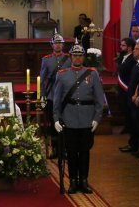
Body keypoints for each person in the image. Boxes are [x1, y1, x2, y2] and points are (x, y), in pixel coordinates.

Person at [53, 42, 104, 194]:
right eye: (74, 55)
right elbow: (57, 99)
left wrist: (97, 118)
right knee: (71, 151)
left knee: (85, 151)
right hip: (69, 119)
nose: (77, 58)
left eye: (79, 55)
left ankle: (84, 180)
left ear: (83, 57)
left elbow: (99, 99)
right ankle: (73, 181)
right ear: (70, 57)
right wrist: (56, 118)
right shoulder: (62, 74)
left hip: (87, 119)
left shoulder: (92, 73)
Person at [40, 30, 71, 158]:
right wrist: (42, 95)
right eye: (55, 43)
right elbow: (42, 79)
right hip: (52, 94)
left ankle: (64, 149)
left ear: (63, 45)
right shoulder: (46, 60)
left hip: (65, 94)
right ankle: (55, 149)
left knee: (66, 122)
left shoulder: (69, 58)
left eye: (60, 43)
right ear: (51, 45)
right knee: (53, 123)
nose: (58, 45)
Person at [116, 38, 136, 137]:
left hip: (127, 87)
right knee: (123, 108)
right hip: (121, 87)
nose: (121, 47)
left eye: (123, 45)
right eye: (121, 45)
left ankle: (129, 127)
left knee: (128, 110)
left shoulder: (132, 59)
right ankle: (126, 125)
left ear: (130, 48)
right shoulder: (123, 56)